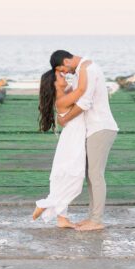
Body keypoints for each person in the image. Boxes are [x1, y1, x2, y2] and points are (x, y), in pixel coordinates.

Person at [50, 50, 118, 232]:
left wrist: (64, 119)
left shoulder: (87, 69)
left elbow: (84, 102)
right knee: (91, 175)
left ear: (66, 60)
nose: (64, 73)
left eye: (62, 69)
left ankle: (96, 220)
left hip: (100, 127)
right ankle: (92, 218)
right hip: (94, 128)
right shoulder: (83, 69)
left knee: (95, 175)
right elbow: (74, 95)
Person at [33, 59, 92, 228]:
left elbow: (77, 91)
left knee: (65, 176)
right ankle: (44, 203)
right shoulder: (61, 98)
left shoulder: (64, 93)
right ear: (54, 84)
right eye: (60, 75)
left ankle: (62, 218)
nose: (64, 75)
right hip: (73, 140)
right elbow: (81, 89)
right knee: (74, 177)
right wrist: (84, 67)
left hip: (72, 138)